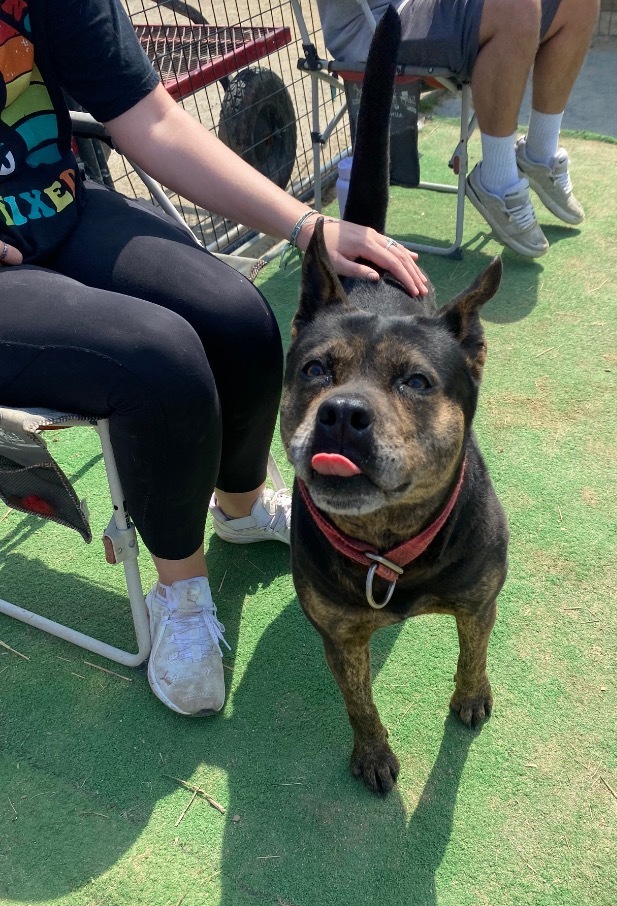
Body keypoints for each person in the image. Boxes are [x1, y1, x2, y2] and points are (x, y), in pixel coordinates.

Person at [0, 0, 428, 717]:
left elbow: (152, 119)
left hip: (59, 206)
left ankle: (239, 505)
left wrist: (307, 225)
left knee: (239, 319)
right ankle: (181, 592)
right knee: (157, 360)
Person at [317, 0, 600, 257]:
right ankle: (496, 180)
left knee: (578, 4)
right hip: (375, 22)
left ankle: (539, 152)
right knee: (516, 7)